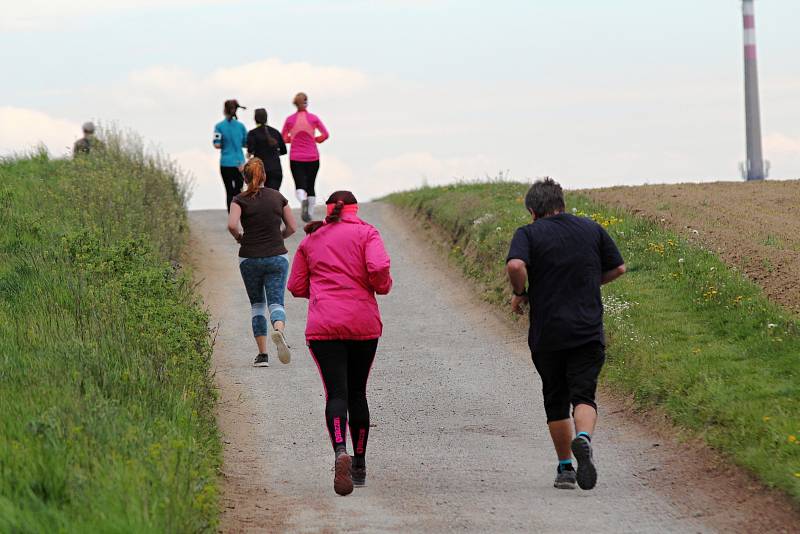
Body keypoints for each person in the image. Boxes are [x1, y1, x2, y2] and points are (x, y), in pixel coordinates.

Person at [505, 178, 626, 492]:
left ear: (532, 210)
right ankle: (583, 438)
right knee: (583, 396)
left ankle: (565, 470)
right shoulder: (591, 229)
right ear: (561, 203)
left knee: (555, 398)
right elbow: (619, 268)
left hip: (549, 333)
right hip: (587, 330)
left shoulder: (528, 234)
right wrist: (588, 282)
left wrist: (521, 292)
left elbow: (516, 264)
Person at [287, 191, 392, 496]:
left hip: (324, 327)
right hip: (363, 324)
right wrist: (379, 287)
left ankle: (339, 450)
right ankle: (359, 464)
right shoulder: (367, 233)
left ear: (329, 209)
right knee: (358, 392)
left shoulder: (311, 240)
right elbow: (378, 270)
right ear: (355, 209)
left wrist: (323, 296)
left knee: (336, 393)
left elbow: (295, 286)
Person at [228, 157, 298, 367]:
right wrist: (279, 238)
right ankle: (279, 329)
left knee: (257, 304)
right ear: (265, 175)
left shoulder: (239, 199)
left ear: (245, 177)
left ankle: (262, 355)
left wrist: (240, 238)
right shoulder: (278, 197)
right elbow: (293, 227)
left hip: (249, 257)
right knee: (276, 302)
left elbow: (232, 225)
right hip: (277, 256)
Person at [282, 92, 329, 223]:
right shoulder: (313, 118)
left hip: (296, 157)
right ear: (306, 102)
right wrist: (315, 139)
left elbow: (283, 138)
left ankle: (303, 200)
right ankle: (310, 212)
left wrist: (293, 139)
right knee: (311, 185)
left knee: (299, 185)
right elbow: (325, 134)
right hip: (313, 156)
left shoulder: (290, 120)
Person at [214, 99, 248, 211]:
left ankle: (231, 215)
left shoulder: (219, 126)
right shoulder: (241, 126)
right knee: (238, 191)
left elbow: (217, 144)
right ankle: (239, 214)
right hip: (240, 163)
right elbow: (246, 143)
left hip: (226, 162)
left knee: (229, 191)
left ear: (224, 110)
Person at [247, 108, 287, 191]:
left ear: (255, 119)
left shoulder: (252, 133)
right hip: (276, 169)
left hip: (260, 171)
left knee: (261, 196)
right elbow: (284, 150)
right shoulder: (275, 132)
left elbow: (250, 151)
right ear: (266, 118)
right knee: (273, 195)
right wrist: (274, 154)